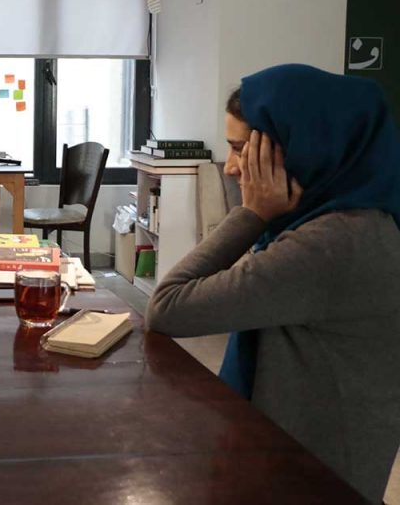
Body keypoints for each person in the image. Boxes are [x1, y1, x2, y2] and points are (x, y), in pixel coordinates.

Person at [146, 63, 400, 502]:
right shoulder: (357, 222)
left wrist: (251, 213)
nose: (230, 168)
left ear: (298, 148)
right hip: (317, 466)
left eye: (239, 149)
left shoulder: (330, 245)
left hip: (314, 482)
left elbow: (168, 307)